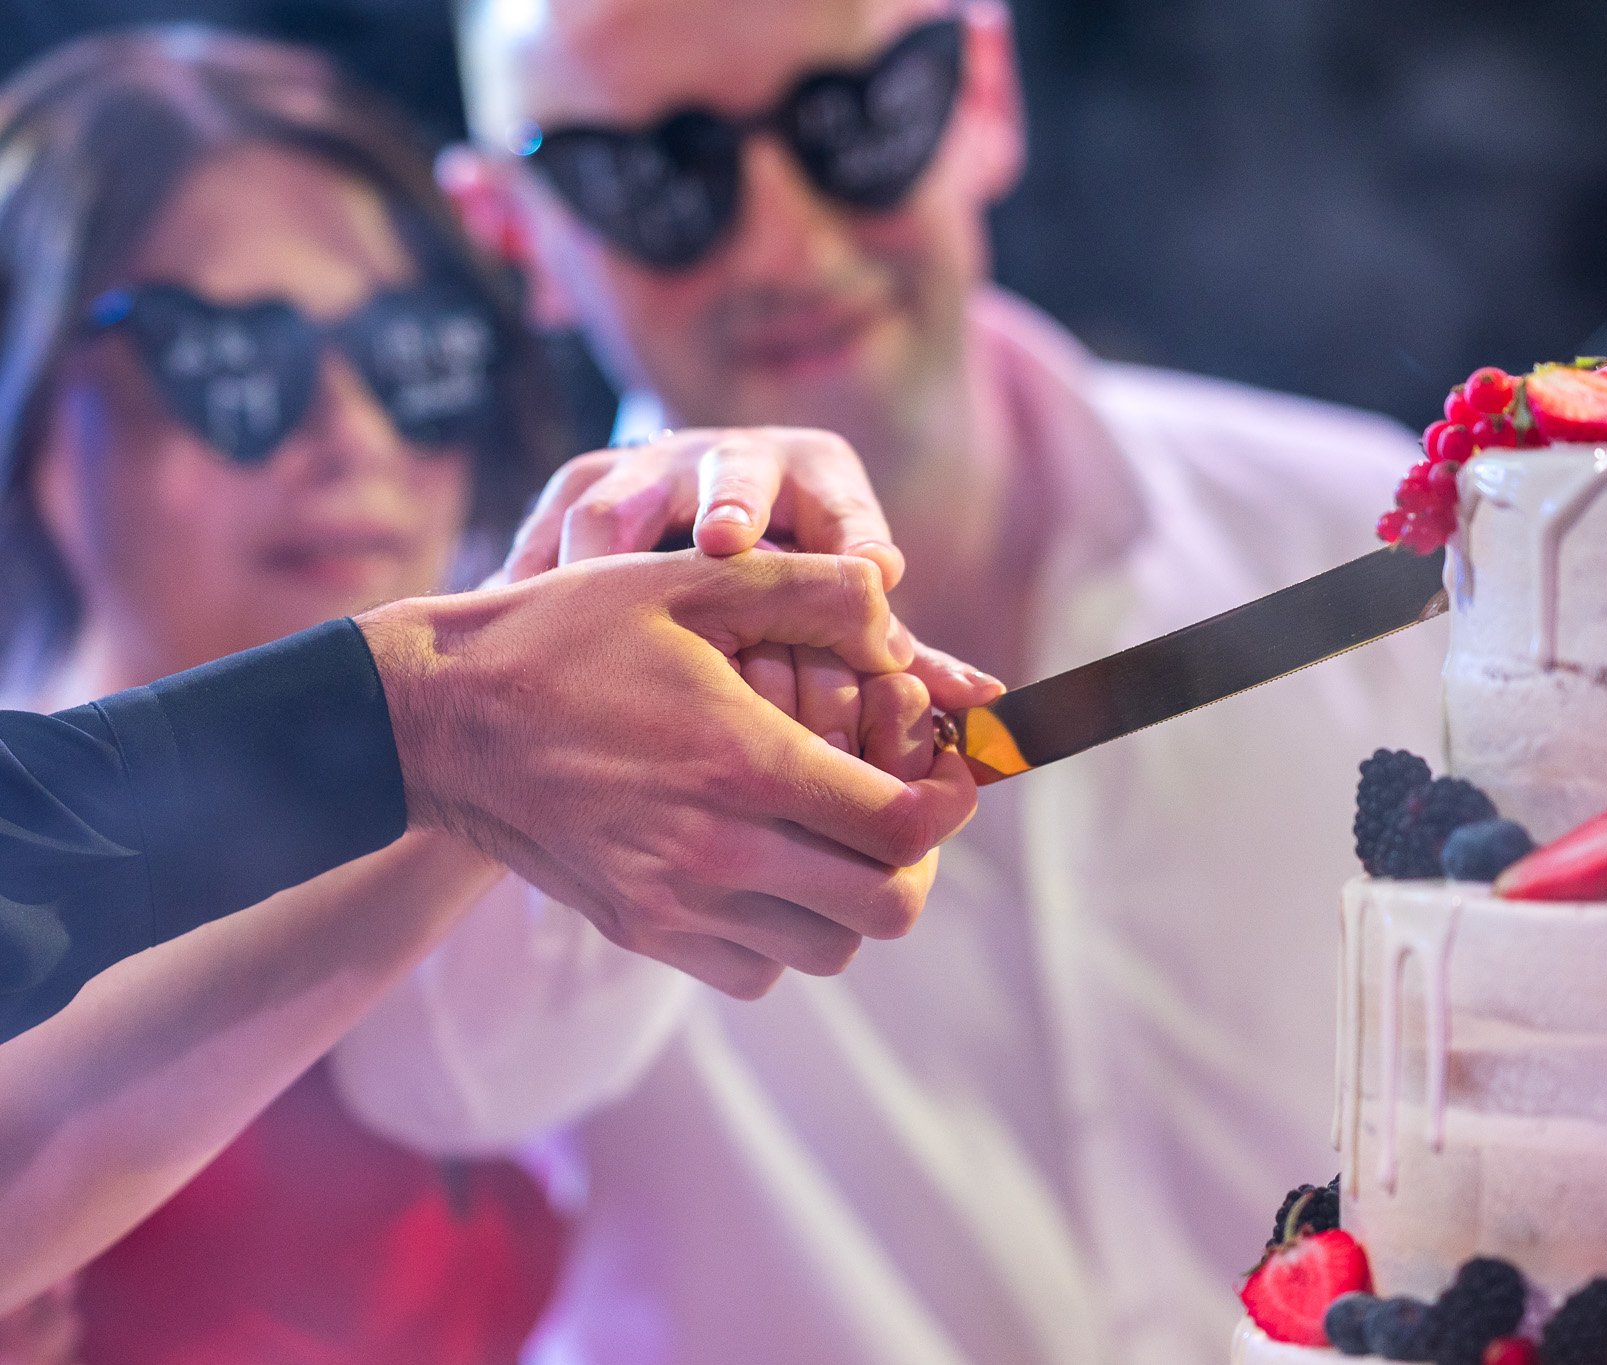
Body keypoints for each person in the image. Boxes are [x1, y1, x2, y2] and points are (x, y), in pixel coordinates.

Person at [334, 1, 1453, 1361]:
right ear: (519, 230)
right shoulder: (464, 689)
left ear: (983, 88)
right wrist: (536, 712)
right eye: (655, 178)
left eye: (857, 121)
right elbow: (445, 1082)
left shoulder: (1352, 536)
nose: (783, 240)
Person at [0, 28, 990, 1345]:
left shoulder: (486, 848)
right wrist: (471, 728)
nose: (348, 435)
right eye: (232, 363)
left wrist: (679, 559)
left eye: (415, 357)